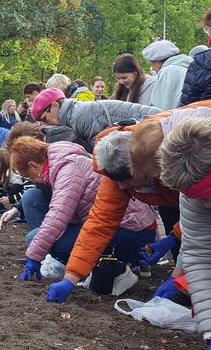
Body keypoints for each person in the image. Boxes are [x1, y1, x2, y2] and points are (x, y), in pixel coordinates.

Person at [44, 101, 211, 304]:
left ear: (145, 169)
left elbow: (201, 219)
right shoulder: (115, 168)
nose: (122, 188)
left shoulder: (180, 156)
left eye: (127, 181)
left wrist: (180, 274)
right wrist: (71, 277)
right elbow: (100, 223)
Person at [8, 136, 156, 283]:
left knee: (43, 240)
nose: (32, 180)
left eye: (28, 176)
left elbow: (57, 216)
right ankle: (60, 260)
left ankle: (113, 265)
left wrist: (34, 256)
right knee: (32, 198)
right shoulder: (59, 162)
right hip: (118, 223)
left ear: (33, 165)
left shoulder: (68, 170)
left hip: (131, 230)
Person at [158, 117, 211, 350]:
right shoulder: (193, 196)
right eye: (197, 198)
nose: (205, 206)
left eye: (208, 196)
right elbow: (199, 254)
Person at [31, 87, 160, 152]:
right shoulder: (76, 114)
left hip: (156, 126)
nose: (47, 124)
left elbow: (101, 152)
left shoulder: (79, 116)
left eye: (45, 118)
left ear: (54, 105)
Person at [142, 39, 192, 110]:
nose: (152, 69)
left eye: (151, 63)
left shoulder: (168, 72)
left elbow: (162, 108)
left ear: (157, 61)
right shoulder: (186, 67)